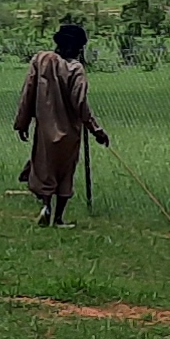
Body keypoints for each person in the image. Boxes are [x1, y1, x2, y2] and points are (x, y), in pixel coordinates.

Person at [12, 19, 108, 225]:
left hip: (45, 130)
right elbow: (80, 103)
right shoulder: (76, 69)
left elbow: (27, 92)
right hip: (70, 132)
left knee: (44, 169)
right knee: (65, 173)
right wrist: (96, 130)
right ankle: (58, 218)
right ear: (77, 47)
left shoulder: (41, 60)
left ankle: (46, 206)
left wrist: (22, 122)